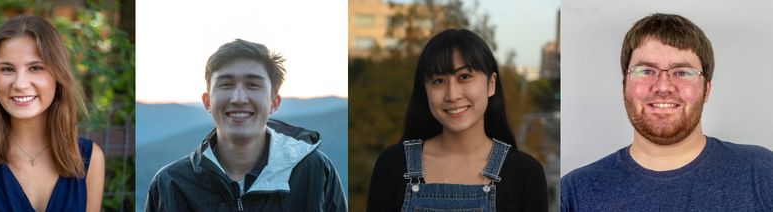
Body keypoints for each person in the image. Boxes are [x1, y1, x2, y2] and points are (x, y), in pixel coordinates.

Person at [561, 13, 773, 211]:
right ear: (624, 86)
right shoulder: (573, 194)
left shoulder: (764, 174)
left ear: (706, 89)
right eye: (646, 71)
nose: (663, 86)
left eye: (681, 72)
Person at [145, 39, 347, 211]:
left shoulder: (316, 172)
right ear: (207, 101)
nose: (239, 98)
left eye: (253, 85)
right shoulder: (170, 184)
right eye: (226, 85)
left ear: (274, 102)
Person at [367, 29, 548, 211]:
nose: (452, 95)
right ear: (425, 90)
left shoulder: (526, 173)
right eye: (438, 81)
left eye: (464, 77)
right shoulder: (392, 165)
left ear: (491, 84)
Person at [0, 15, 105, 211]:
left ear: (58, 76)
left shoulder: (90, 159)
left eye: (35, 68)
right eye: (7, 69)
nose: (20, 84)